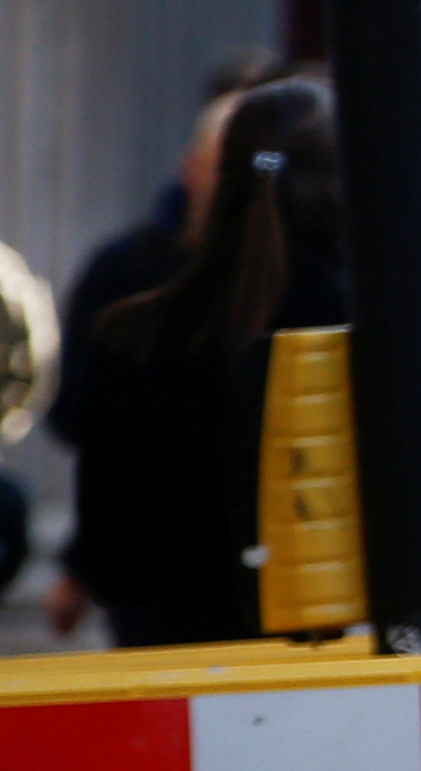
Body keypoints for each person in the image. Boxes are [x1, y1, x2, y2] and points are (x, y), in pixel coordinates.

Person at [53, 77, 347, 646]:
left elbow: (110, 548)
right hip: (325, 662)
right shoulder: (367, 322)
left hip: (168, 661)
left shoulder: (132, 329)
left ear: (214, 176)